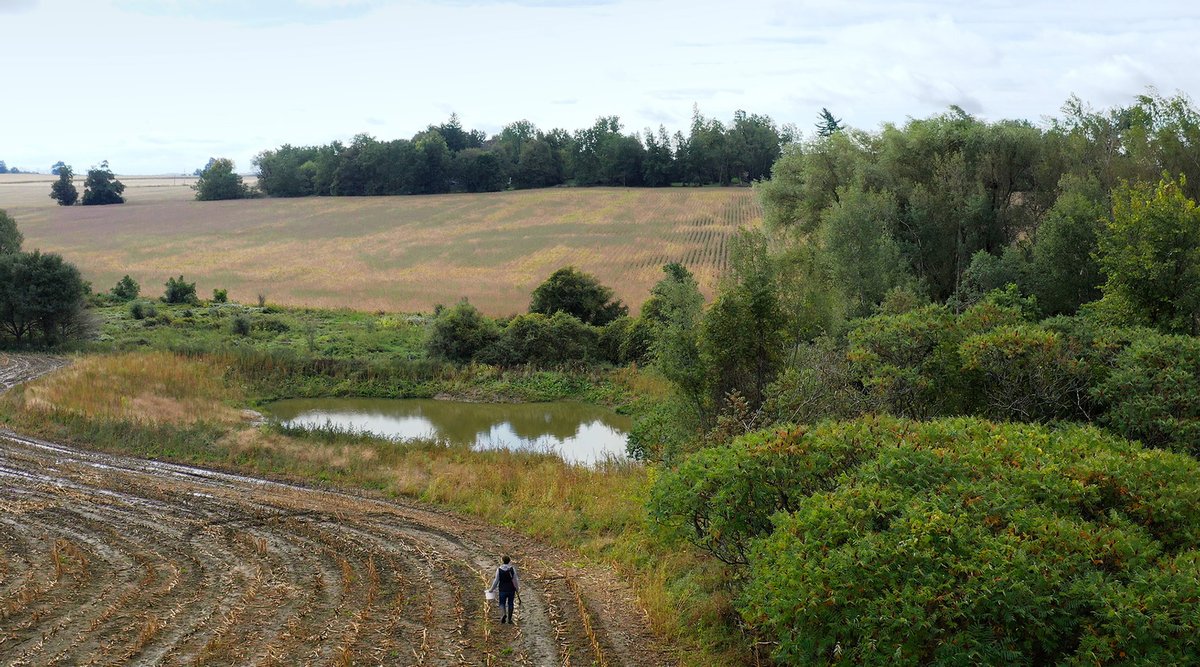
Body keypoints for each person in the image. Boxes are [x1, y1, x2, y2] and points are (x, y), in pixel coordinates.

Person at [489, 555, 520, 624]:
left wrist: (491, 589)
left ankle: (503, 614)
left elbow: (496, 581)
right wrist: (517, 589)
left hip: (502, 589)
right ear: (509, 561)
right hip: (511, 589)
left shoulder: (499, 569)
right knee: (510, 603)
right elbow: (515, 580)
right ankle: (509, 619)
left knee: (502, 603)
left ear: (502, 561)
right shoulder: (512, 569)